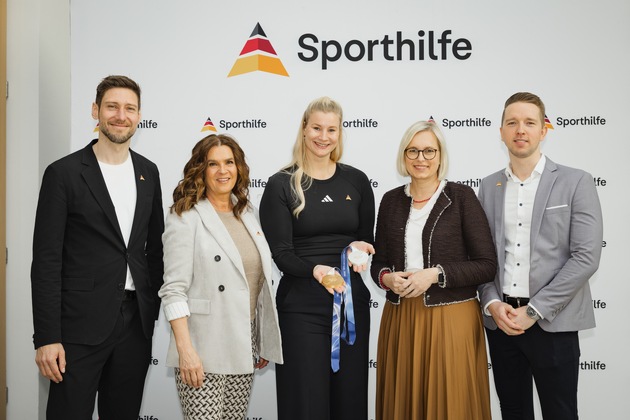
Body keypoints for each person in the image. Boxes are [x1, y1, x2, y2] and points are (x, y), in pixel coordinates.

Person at [31, 75, 165, 419]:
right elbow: (46, 261)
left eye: (129, 108)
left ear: (139, 116)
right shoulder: (63, 173)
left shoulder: (148, 172)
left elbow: (155, 251)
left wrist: (150, 310)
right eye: (112, 107)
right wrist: (46, 337)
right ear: (96, 111)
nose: (121, 115)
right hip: (77, 328)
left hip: (135, 326)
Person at [478, 92, 603, 420]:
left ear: (543, 130)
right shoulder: (488, 186)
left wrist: (534, 311)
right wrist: (493, 304)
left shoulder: (576, 181)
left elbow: (586, 257)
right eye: (512, 123)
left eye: (529, 122)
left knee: (560, 413)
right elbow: (483, 257)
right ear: (501, 131)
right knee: (513, 412)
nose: (520, 130)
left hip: (553, 323)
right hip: (503, 323)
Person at [370, 120, 497, 420]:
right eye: (413, 151)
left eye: (429, 151)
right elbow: (379, 262)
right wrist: (387, 278)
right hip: (401, 319)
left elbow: (486, 265)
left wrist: (435, 274)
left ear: (440, 156)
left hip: (451, 318)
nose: (421, 158)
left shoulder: (462, 197)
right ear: (404, 156)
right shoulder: (390, 200)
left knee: (450, 404)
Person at [259, 96, 375, 420]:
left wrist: (362, 249)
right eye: (316, 128)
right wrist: (316, 270)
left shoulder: (357, 180)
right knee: (305, 405)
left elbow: (367, 239)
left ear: (340, 133)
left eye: (331, 130)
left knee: (350, 403)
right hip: (301, 308)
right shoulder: (281, 184)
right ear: (304, 129)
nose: (323, 137)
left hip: (351, 305)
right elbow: (281, 254)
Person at [159, 134, 283, 420]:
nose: (222, 170)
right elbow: (173, 290)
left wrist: (261, 339)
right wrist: (185, 351)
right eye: (213, 164)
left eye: (229, 162)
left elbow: (255, 282)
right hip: (202, 347)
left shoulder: (246, 212)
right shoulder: (185, 216)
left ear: (238, 167)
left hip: (243, 344)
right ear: (200, 169)